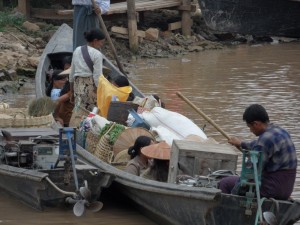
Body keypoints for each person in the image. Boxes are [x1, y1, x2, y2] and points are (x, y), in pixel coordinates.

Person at [218, 104, 297, 200]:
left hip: (272, 190)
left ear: (255, 124)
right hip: (286, 188)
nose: (250, 130)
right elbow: (257, 145)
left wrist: (235, 192)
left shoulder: (264, 141)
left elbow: (250, 174)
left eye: (249, 127)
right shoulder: (280, 131)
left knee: (225, 183)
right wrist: (240, 143)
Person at [69, 28, 105, 111]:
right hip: (89, 86)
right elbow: (97, 76)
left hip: (77, 85)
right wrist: (97, 92)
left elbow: (72, 72)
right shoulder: (97, 54)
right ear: (95, 40)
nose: (102, 45)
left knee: (79, 109)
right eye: (101, 42)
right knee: (91, 111)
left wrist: (71, 90)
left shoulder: (77, 50)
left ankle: (76, 123)